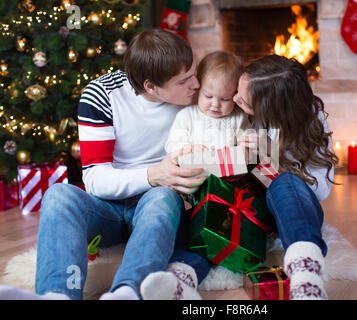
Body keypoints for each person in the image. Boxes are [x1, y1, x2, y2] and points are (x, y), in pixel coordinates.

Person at [0, 29, 211, 300]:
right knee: (59, 194)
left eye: (194, 73)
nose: (196, 84)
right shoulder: (102, 95)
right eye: (184, 81)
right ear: (150, 86)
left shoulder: (198, 98)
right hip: (107, 208)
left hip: (158, 203)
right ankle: (57, 294)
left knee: (161, 196)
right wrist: (153, 174)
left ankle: (127, 291)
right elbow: (96, 180)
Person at [233, 55, 339, 300]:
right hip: (249, 206)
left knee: (286, 182)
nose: (235, 99)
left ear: (274, 111)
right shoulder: (237, 110)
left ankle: (306, 280)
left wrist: (271, 153)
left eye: (245, 102)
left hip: (293, 208)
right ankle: (183, 278)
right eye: (238, 90)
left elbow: (321, 191)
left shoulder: (312, 121)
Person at [163, 50, 251, 155]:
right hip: (195, 169)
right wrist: (187, 148)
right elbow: (172, 143)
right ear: (198, 89)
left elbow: (249, 140)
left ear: (235, 94)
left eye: (225, 99)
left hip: (229, 170)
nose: (215, 104)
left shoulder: (239, 118)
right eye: (208, 96)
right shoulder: (186, 116)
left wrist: (245, 149)